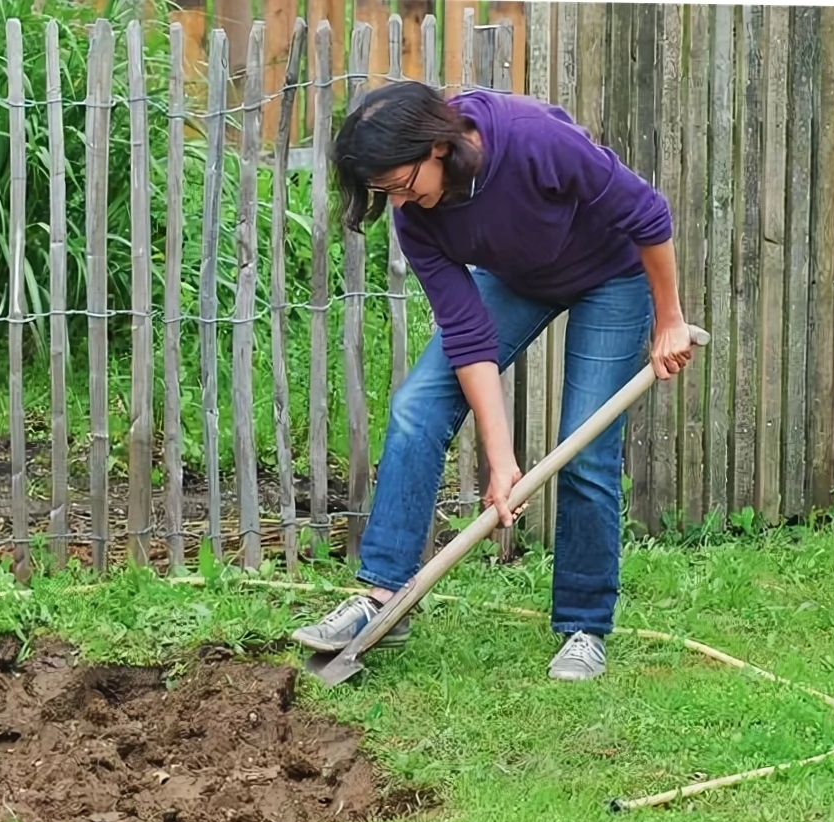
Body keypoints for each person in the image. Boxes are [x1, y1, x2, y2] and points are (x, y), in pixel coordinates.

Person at [289, 81, 692, 681]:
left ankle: (584, 626)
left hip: (612, 277)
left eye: (401, 184)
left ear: (439, 148)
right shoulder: (415, 217)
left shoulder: (533, 139)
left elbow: (647, 211)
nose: (399, 201)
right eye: (383, 191)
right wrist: (499, 458)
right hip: (517, 278)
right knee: (416, 407)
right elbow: (467, 334)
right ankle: (382, 599)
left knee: (583, 448)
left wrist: (670, 318)